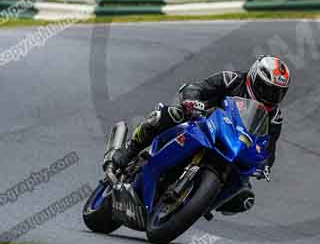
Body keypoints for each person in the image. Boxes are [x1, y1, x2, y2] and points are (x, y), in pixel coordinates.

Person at [109, 56, 291, 216]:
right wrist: (192, 101)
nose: (271, 96)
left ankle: (200, 204)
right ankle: (129, 150)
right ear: (253, 78)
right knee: (167, 114)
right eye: (267, 89)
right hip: (202, 120)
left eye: (278, 92)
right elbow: (197, 88)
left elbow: (269, 147)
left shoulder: (274, 116)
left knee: (244, 191)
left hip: (234, 146)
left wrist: (264, 165)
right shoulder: (232, 80)